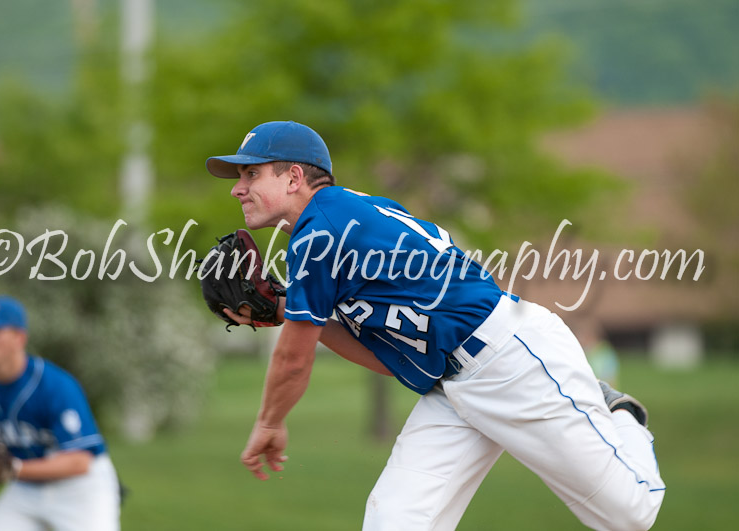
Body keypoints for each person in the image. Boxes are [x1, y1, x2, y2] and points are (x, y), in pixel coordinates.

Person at [206, 121, 665, 530]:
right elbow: (390, 361)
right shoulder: (332, 224)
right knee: (395, 521)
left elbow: (292, 361)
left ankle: (619, 411)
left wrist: (270, 422)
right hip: (451, 386)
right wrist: (291, 311)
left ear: (294, 177)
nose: (237, 188)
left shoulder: (322, 233)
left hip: (511, 359)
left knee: (629, 514)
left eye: (251, 173)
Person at [0, 295, 121, 530]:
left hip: (80, 488)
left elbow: (80, 461)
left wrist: (14, 469)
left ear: (19, 338)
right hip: (24, 489)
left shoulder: (55, 386)